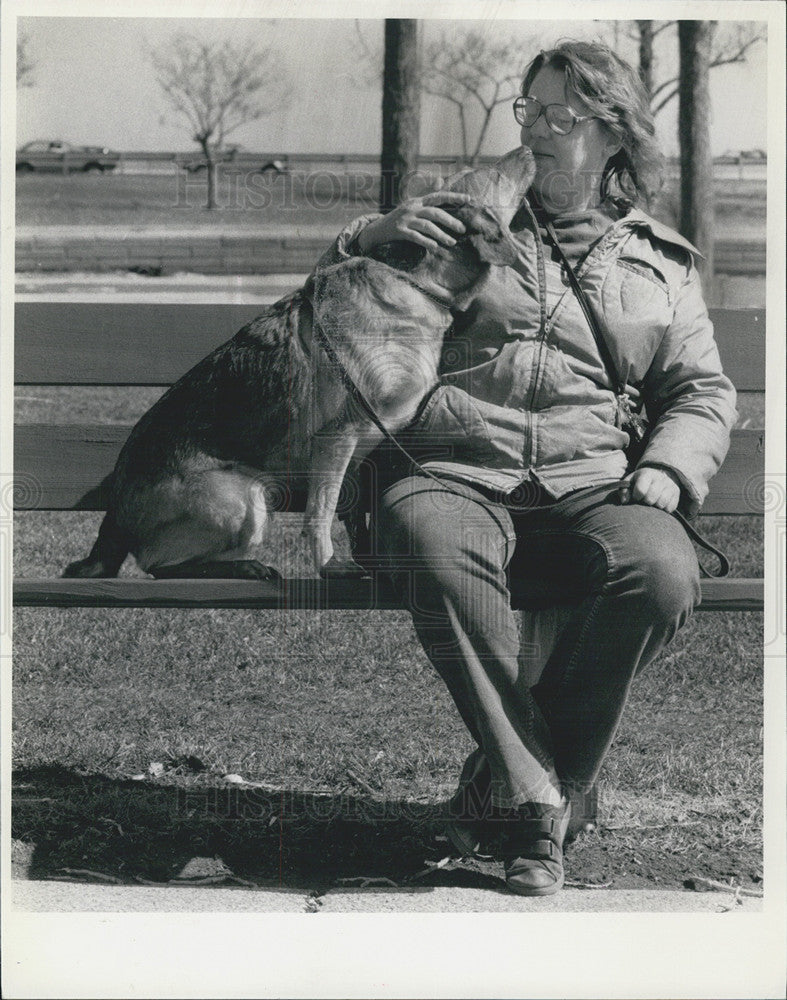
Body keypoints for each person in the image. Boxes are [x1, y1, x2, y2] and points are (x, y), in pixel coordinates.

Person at [315, 40, 737, 896]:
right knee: (432, 547)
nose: (536, 132)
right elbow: (341, 298)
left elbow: (700, 389)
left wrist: (669, 467)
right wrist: (368, 231)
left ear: (613, 134)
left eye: (560, 118)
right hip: (452, 468)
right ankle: (543, 806)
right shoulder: (468, 217)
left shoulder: (661, 261)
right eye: (528, 112)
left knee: (660, 571)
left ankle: (507, 787)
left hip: (593, 482)